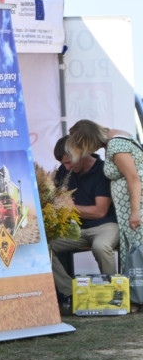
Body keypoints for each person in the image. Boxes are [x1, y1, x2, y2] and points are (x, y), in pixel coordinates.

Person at [66, 119, 143, 313]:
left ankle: (135, 299)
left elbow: (133, 178)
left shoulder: (116, 145)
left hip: (136, 207)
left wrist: (135, 211)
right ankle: (135, 299)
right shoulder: (115, 139)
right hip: (130, 209)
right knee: (134, 254)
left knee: (138, 253)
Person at [48, 135, 119, 313]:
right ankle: (73, 294)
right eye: (63, 164)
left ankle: (112, 295)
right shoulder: (65, 171)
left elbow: (100, 211)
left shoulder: (103, 171)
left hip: (106, 225)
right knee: (44, 247)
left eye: (69, 162)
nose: (66, 167)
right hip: (79, 229)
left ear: (82, 153)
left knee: (101, 246)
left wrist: (68, 207)